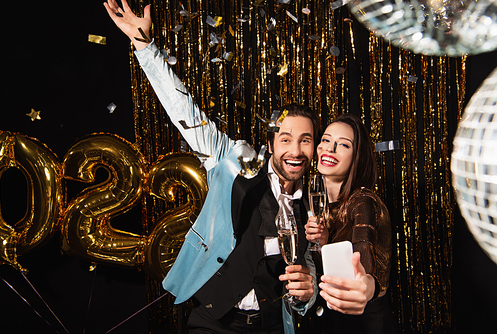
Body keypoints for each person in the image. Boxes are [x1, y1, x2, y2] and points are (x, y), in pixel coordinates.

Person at [104, 1, 321, 332]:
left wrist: (308, 294)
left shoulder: (317, 203)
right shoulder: (233, 161)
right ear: (271, 142)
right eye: (286, 138)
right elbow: (185, 112)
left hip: (273, 325)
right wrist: (144, 45)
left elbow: (310, 270)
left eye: (305, 140)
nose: (295, 149)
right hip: (212, 319)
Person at [305, 113, 395, 333]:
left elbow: (364, 254)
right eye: (325, 140)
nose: (330, 149)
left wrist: (367, 286)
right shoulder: (311, 195)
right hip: (325, 316)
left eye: (343, 145)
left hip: (362, 323)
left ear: (358, 156)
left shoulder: (364, 202)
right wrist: (324, 243)